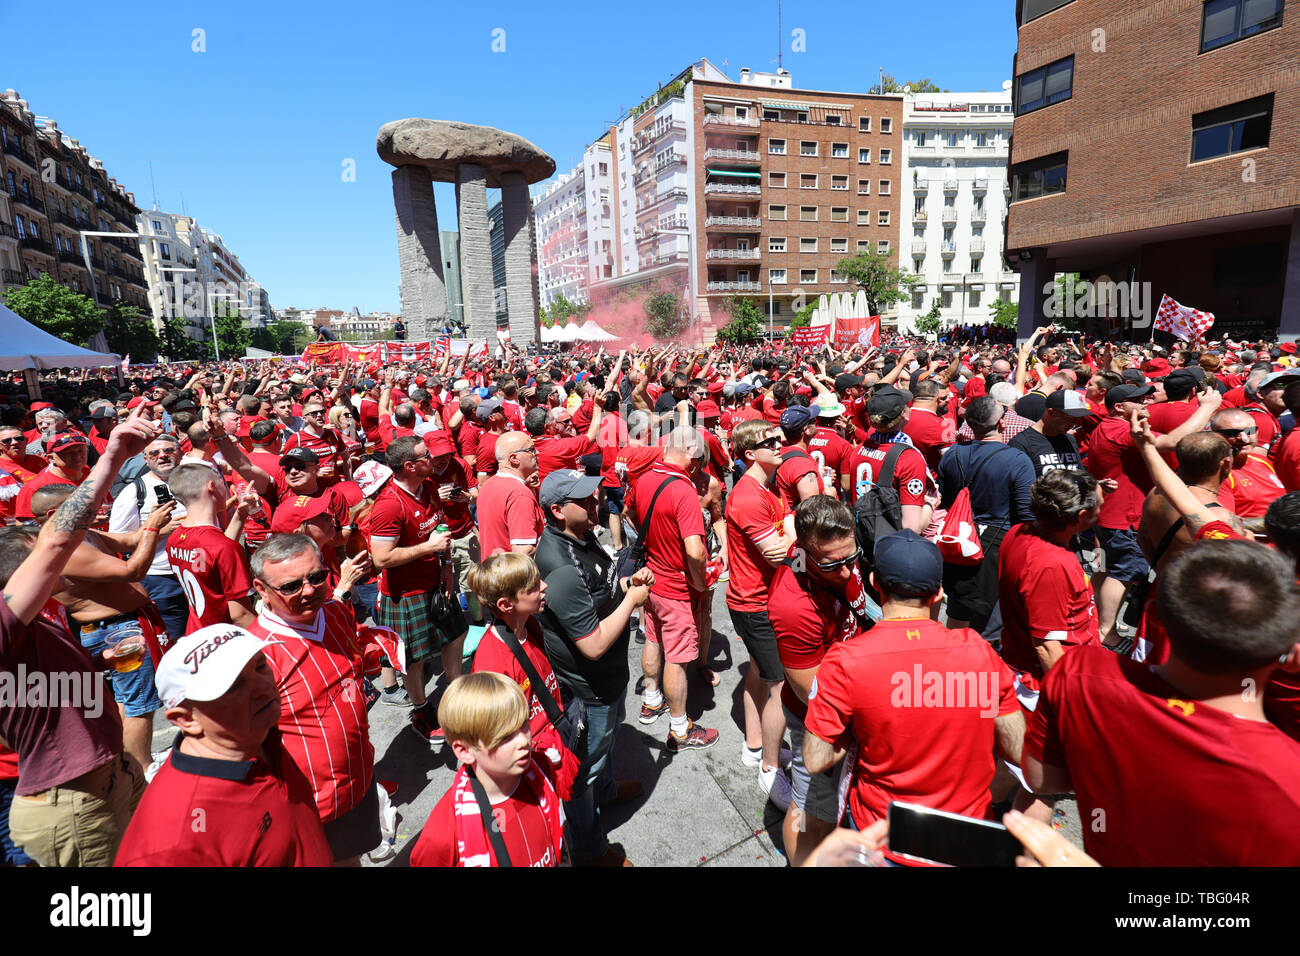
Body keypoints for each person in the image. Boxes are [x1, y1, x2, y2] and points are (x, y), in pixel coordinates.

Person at [1023, 539, 1300, 865]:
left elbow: (1042, 779)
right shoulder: (1288, 782)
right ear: (1291, 652)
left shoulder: (1079, 675)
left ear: (1153, 616)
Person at [1, 406, 158, 867]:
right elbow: (55, 541)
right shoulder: (6, 622)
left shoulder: (28, 628)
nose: (60, 562)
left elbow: (30, 692)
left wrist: (94, 666)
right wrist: (110, 458)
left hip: (107, 776)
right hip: (72, 802)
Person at [802, 530, 1023, 838]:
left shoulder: (845, 661)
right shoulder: (978, 652)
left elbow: (815, 758)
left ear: (874, 584)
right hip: (965, 835)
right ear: (938, 594)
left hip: (882, 833)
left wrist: (861, 728)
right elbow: (1017, 747)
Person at [114, 625, 333, 866]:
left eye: (260, 666)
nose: (263, 687)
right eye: (233, 686)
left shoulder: (257, 735)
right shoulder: (173, 844)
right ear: (186, 719)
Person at [534, 469, 652, 867]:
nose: (596, 502)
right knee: (583, 772)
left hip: (610, 680)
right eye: (584, 501)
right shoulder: (562, 566)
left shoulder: (582, 537)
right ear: (557, 511)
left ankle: (606, 789)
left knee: (603, 749)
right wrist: (633, 600)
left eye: (593, 496)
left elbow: (599, 590)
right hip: (590, 686)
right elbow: (594, 645)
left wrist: (624, 585)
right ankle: (589, 850)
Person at [247, 533, 380, 865]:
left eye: (317, 577)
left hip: (360, 779)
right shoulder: (254, 656)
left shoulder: (334, 612)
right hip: (312, 805)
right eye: (291, 586)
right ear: (261, 589)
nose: (308, 590)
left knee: (353, 860)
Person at [768, 496, 874, 865]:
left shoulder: (837, 557)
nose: (847, 572)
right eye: (832, 564)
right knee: (812, 813)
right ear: (804, 552)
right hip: (820, 718)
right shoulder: (793, 604)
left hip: (852, 699)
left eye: (851, 557)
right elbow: (809, 691)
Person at [1083, 381, 1220, 645]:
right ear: (1120, 407)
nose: (1146, 401)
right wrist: (1207, 408)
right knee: (1124, 574)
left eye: (1146, 397)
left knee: (1103, 569)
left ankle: (1097, 623)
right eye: (1138, 399)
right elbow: (1172, 442)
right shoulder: (1122, 430)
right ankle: (1106, 632)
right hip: (1125, 518)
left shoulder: (1107, 425)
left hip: (1108, 516)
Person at [409, 672, 564, 867]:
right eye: (505, 737)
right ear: (464, 751)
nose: (524, 741)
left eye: (524, 723)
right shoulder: (443, 834)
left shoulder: (542, 769)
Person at [724, 419, 797, 807]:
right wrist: (794, 523)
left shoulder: (761, 487)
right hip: (755, 603)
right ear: (749, 453)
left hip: (751, 599)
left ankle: (755, 746)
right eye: (770, 441)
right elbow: (777, 552)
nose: (780, 443)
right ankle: (769, 769)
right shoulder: (750, 496)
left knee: (757, 674)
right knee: (780, 689)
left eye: (779, 438)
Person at [369, 435, 460, 742]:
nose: (432, 458)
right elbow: (381, 558)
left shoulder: (430, 487)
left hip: (435, 583)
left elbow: (441, 529)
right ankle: (421, 710)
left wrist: (445, 564)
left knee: (455, 636)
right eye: (426, 455)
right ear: (409, 466)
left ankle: (456, 694)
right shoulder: (388, 506)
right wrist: (427, 548)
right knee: (414, 659)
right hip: (405, 595)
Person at [635, 426, 718, 751]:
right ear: (694, 458)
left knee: (653, 639)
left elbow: (629, 513)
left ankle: (651, 700)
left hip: (651, 578)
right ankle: (680, 729)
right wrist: (700, 581)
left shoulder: (645, 479)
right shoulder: (683, 489)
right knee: (679, 658)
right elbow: (695, 551)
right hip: (676, 586)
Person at [467, 553, 578, 797]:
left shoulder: (529, 624)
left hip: (555, 742)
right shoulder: (493, 662)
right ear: (506, 605)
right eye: (534, 586)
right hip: (532, 762)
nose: (545, 586)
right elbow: (495, 736)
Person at [938, 397, 1037, 633]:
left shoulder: (952, 454)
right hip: (997, 546)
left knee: (958, 608)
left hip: (957, 539)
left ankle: (957, 659)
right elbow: (1027, 515)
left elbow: (945, 498)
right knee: (991, 617)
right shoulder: (1017, 460)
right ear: (1002, 423)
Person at [108, 434, 191, 644]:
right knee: (173, 639)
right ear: (146, 459)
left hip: (197, 571)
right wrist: (157, 531)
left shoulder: (195, 480)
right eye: (154, 453)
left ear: (180, 453)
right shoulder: (135, 492)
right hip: (161, 578)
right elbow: (115, 540)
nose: (162, 456)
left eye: (168, 451)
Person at [165, 460, 257, 629]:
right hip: (224, 640)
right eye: (223, 483)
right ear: (212, 486)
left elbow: (214, 558)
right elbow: (240, 615)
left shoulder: (175, 537)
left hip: (198, 633)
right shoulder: (222, 547)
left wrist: (241, 514)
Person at [847, 386, 933, 533]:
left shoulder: (860, 449)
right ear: (905, 415)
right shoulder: (908, 458)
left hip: (862, 536)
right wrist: (931, 505)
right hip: (890, 543)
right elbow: (912, 527)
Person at [1213, 407, 1287, 530]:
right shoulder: (1219, 474)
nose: (1243, 438)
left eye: (1249, 431)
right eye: (1232, 433)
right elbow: (1224, 525)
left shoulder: (1261, 460)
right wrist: (1282, 521)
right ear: (1215, 435)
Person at [476, 431, 544, 558]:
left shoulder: (487, 486)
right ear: (514, 459)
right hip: (512, 575)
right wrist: (552, 538)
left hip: (492, 572)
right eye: (531, 450)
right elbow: (523, 552)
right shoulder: (519, 494)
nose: (537, 453)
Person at [1008, 388, 1089, 479]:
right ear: (1051, 412)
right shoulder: (1021, 443)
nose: (1075, 423)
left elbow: (1080, 475)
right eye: (1070, 417)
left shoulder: (1069, 439)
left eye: (1077, 418)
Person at [282, 399, 351, 486]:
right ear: (305, 419)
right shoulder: (296, 439)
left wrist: (349, 480)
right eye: (314, 413)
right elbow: (286, 469)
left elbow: (347, 458)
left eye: (322, 412)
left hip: (335, 486)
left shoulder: (333, 434)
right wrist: (314, 473)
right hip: (311, 491)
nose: (319, 415)